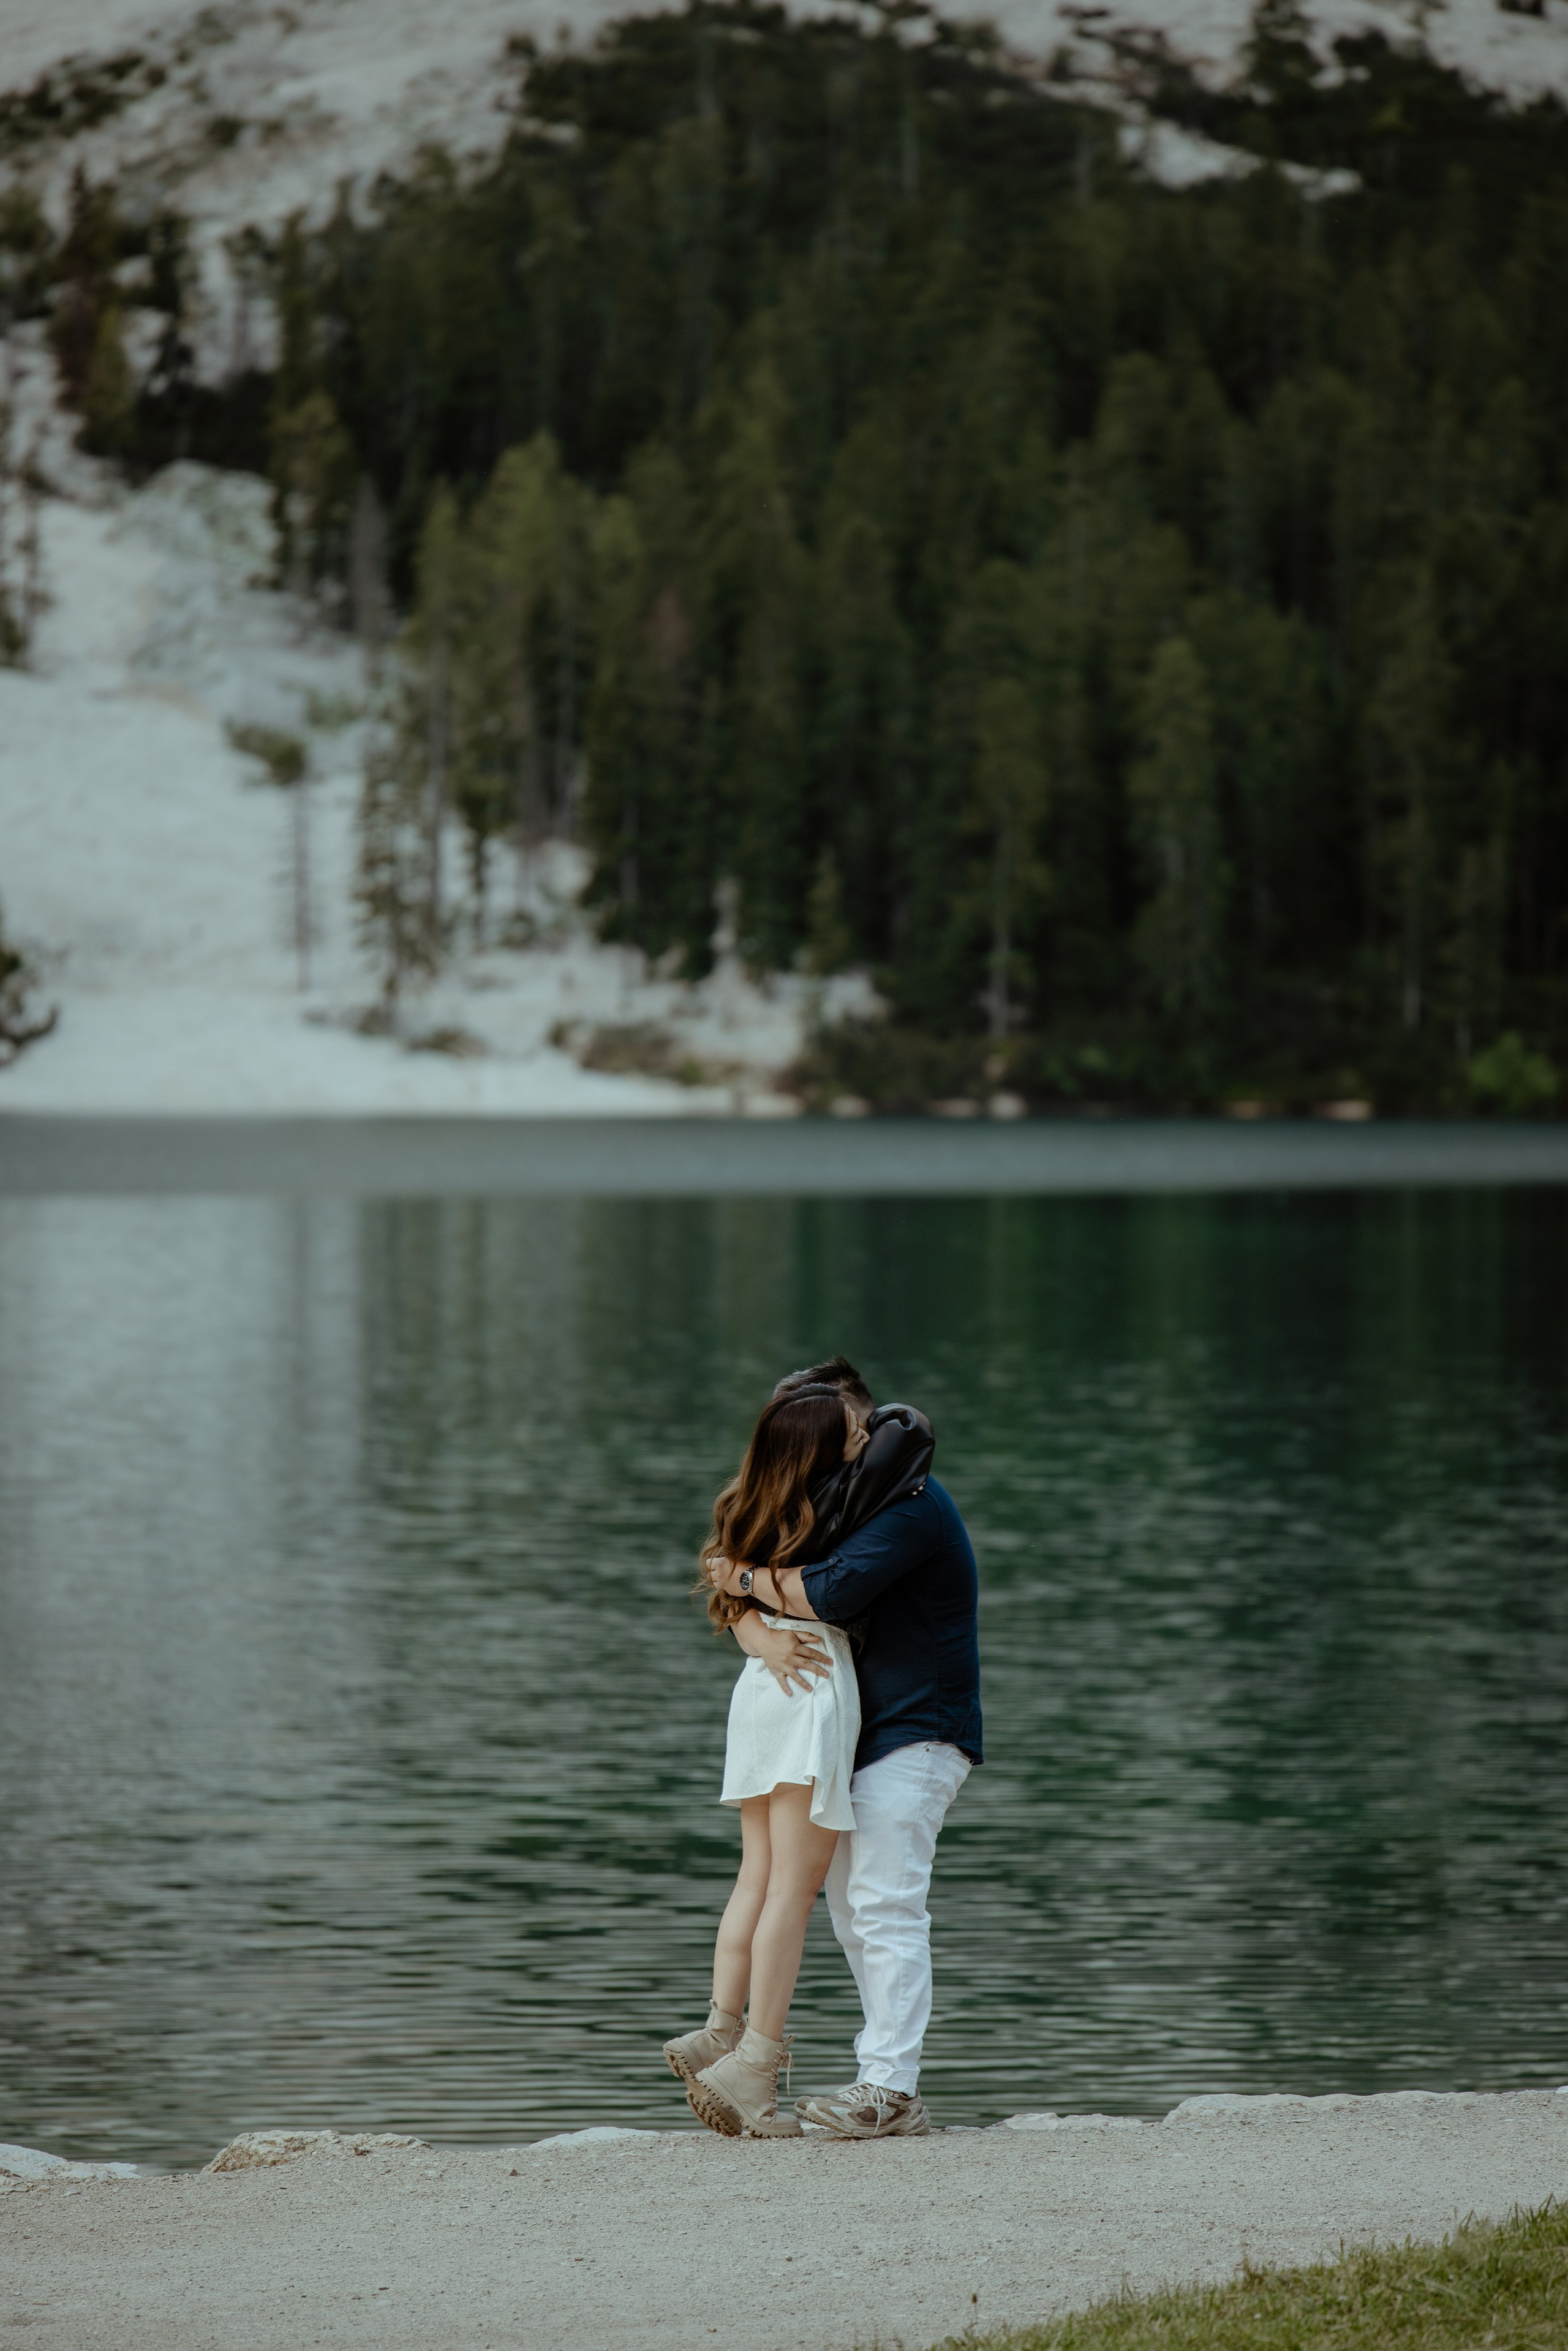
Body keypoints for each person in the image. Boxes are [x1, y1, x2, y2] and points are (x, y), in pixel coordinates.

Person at [712, 1356, 982, 2139]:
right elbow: (753, 1575)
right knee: (849, 1913)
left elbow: (826, 1592)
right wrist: (739, 1588)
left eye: (850, 1426)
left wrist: (736, 1573)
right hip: (858, 1736)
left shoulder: (909, 1506)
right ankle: (876, 2078)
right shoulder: (843, 1504)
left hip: (919, 1727)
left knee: (884, 1904)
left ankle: (891, 2088)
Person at [663, 1383, 869, 2138]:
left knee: (755, 1873)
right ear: (814, 1449)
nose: (862, 1440)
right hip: (812, 1679)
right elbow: (840, 1591)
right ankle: (755, 2063)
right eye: (849, 1432)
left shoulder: (751, 1505)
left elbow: (727, 1580)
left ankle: (720, 2027)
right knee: (794, 1887)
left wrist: (750, 1620)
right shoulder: (837, 1509)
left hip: (759, 1689)